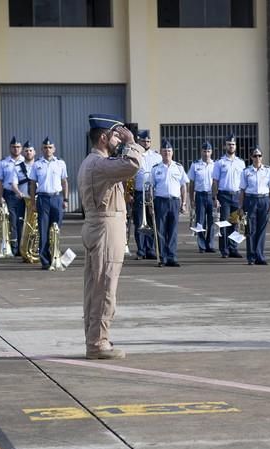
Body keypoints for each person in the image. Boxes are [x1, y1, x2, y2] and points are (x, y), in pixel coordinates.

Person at [78, 113, 143, 360]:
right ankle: (98, 342)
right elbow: (132, 165)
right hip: (105, 230)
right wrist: (132, 142)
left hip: (98, 226)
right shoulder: (100, 164)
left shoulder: (92, 162)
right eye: (115, 135)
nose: (118, 140)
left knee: (95, 287)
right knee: (105, 287)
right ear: (104, 137)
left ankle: (94, 337)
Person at [28, 137, 69, 270]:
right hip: (43, 199)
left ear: (54, 149)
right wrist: (33, 202)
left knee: (56, 230)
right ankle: (45, 260)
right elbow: (33, 184)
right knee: (43, 230)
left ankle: (56, 256)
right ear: (42, 149)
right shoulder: (37, 164)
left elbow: (64, 182)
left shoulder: (60, 163)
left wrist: (66, 199)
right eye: (45, 147)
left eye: (50, 147)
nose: (48, 150)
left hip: (57, 198)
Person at [151, 139, 188, 267]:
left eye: (169, 150)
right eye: (164, 150)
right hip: (160, 201)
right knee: (160, 230)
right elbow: (151, 187)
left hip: (174, 201)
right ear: (161, 152)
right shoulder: (156, 168)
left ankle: (172, 256)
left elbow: (183, 186)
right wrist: (151, 204)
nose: (167, 152)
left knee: (173, 230)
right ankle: (162, 257)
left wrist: (184, 203)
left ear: (172, 152)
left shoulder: (178, 167)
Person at [239, 146, 270, 265]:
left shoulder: (268, 170)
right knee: (250, 229)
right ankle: (251, 257)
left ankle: (260, 255)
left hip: (264, 200)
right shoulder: (246, 171)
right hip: (250, 200)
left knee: (261, 229)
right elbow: (242, 190)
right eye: (255, 156)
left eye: (259, 155)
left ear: (262, 157)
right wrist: (240, 207)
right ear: (251, 157)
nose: (257, 158)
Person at [212, 134, 245, 258]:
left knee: (235, 223)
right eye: (229, 144)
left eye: (233, 144)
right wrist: (215, 198)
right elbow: (215, 181)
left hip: (236, 196)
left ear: (236, 146)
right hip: (224, 196)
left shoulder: (241, 163)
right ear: (225, 146)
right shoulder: (219, 162)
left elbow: (243, 183)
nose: (231, 146)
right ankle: (224, 250)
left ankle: (233, 248)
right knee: (224, 223)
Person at [130, 129, 162, 260]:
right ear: (139, 141)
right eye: (144, 141)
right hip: (139, 193)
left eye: (148, 141)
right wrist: (129, 193)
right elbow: (130, 176)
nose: (146, 143)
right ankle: (141, 250)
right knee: (139, 222)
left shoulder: (157, 156)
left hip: (153, 194)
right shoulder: (135, 155)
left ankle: (150, 249)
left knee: (151, 221)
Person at [0, 136, 25, 256]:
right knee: (12, 221)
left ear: (21, 148)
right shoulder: (3, 162)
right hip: (9, 195)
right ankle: (13, 248)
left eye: (18, 147)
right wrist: (0, 197)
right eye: (13, 147)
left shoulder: (26, 161)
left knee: (22, 221)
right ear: (10, 148)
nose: (16, 149)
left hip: (23, 196)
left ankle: (23, 246)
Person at [188, 141, 216, 253]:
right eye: (204, 151)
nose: (206, 153)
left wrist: (216, 197)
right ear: (201, 151)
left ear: (211, 152)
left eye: (208, 151)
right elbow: (191, 183)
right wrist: (191, 199)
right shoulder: (195, 165)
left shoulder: (215, 165)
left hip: (211, 195)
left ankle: (210, 244)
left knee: (212, 222)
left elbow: (216, 183)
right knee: (200, 222)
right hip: (200, 195)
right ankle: (202, 245)